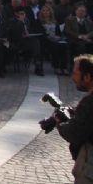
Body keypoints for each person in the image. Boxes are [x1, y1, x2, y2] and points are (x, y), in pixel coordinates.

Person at [56, 54, 93, 184]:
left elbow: (74, 133)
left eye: (75, 73)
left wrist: (59, 122)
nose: (73, 77)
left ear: (87, 76)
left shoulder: (90, 102)